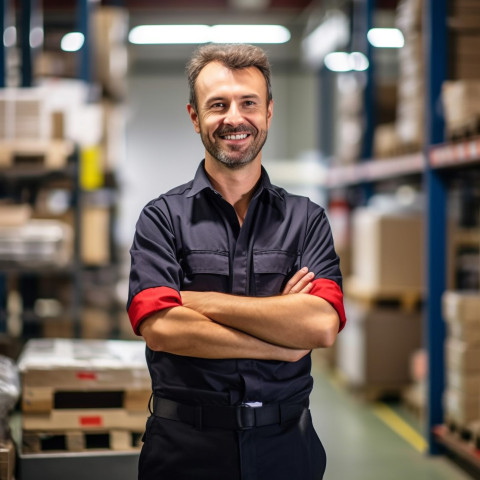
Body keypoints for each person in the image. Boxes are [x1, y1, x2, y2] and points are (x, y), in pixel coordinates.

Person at [127, 43, 346, 480]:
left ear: (268, 112)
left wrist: (197, 301)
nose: (234, 118)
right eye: (217, 105)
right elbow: (161, 327)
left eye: (248, 103)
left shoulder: (306, 219)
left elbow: (320, 325)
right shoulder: (162, 217)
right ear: (195, 117)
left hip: (286, 449)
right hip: (184, 450)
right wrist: (277, 340)